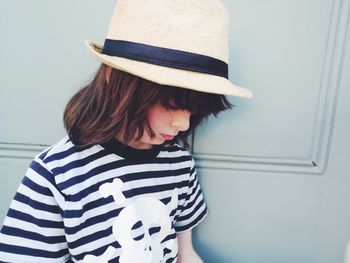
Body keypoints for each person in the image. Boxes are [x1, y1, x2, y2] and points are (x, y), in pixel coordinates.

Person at [0, 0, 252, 262]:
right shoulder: (57, 174)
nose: (184, 124)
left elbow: (184, 253)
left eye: (195, 109)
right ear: (117, 81)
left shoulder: (178, 164)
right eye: (171, 104)